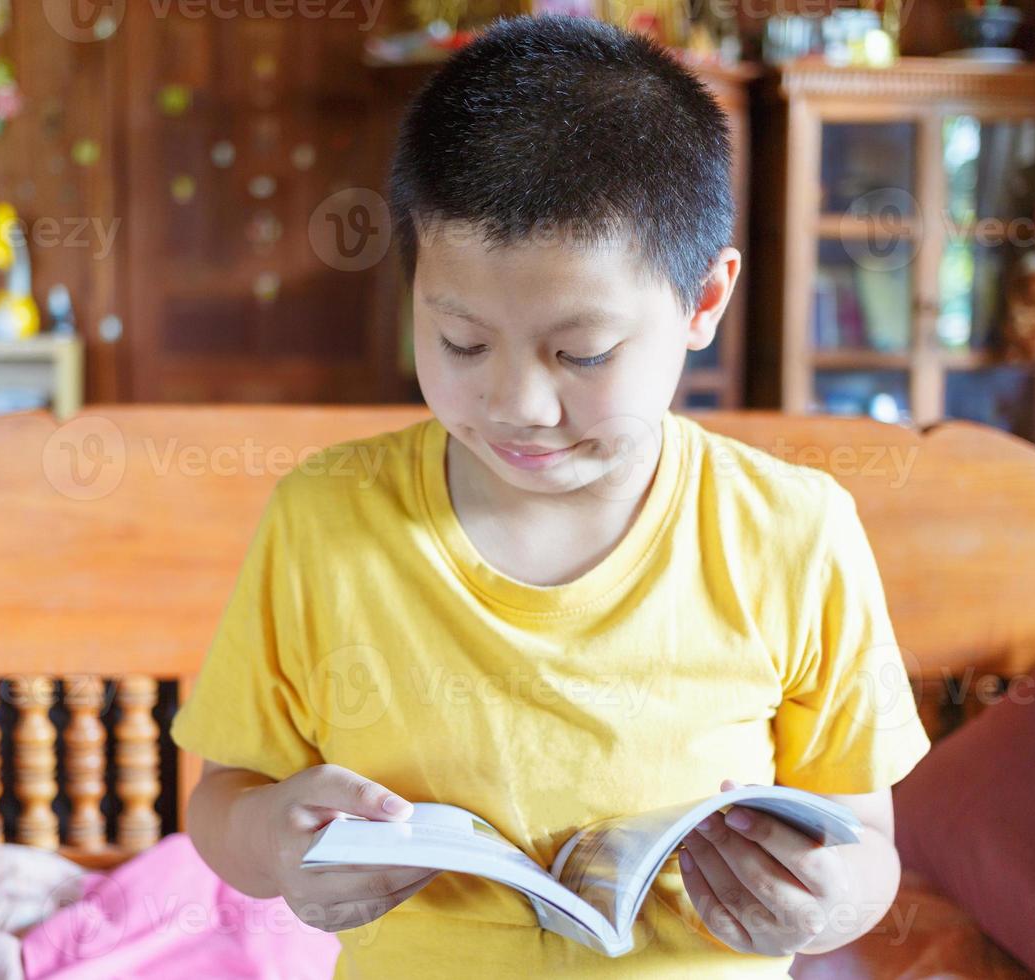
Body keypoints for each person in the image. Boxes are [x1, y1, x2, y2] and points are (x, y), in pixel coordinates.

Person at [173, 14, 932, 978]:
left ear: (704, 302)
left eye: (582, 353)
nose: (519, 405)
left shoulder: (793, 532)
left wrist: (823, 907)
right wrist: (275, 844)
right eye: (460, 343)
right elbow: (221, 801)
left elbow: (867, 844)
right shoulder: (325, 518)